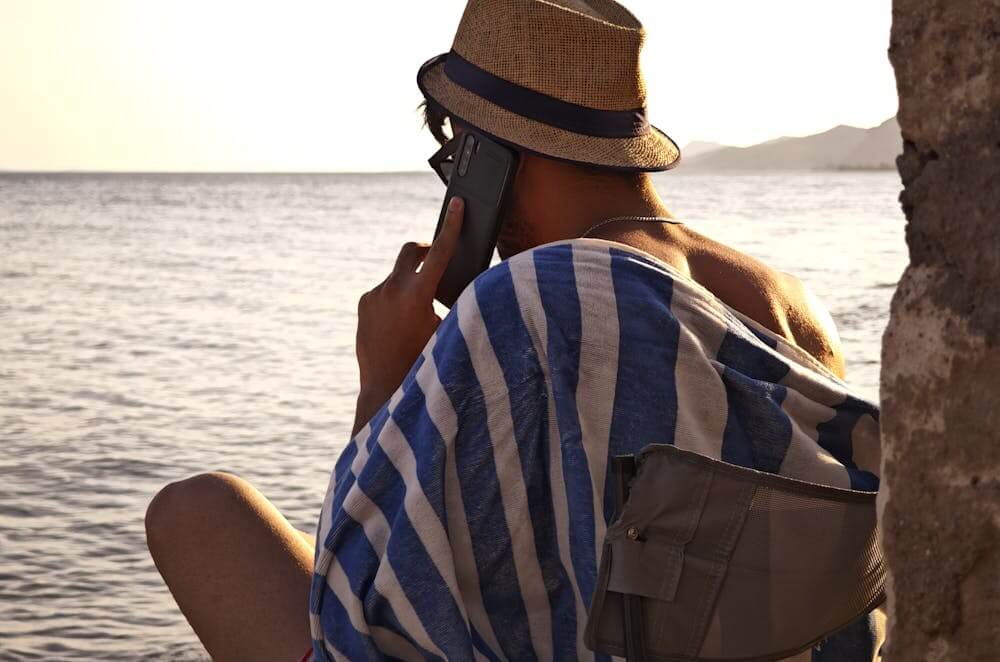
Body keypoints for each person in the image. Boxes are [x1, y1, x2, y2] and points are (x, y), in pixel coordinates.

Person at [145, 1, 884, 660]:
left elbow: (361, 598)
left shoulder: (535, 304)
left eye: (453, 148)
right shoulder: (795, 311)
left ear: (483, 154)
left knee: (198, 512)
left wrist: (385, 376)